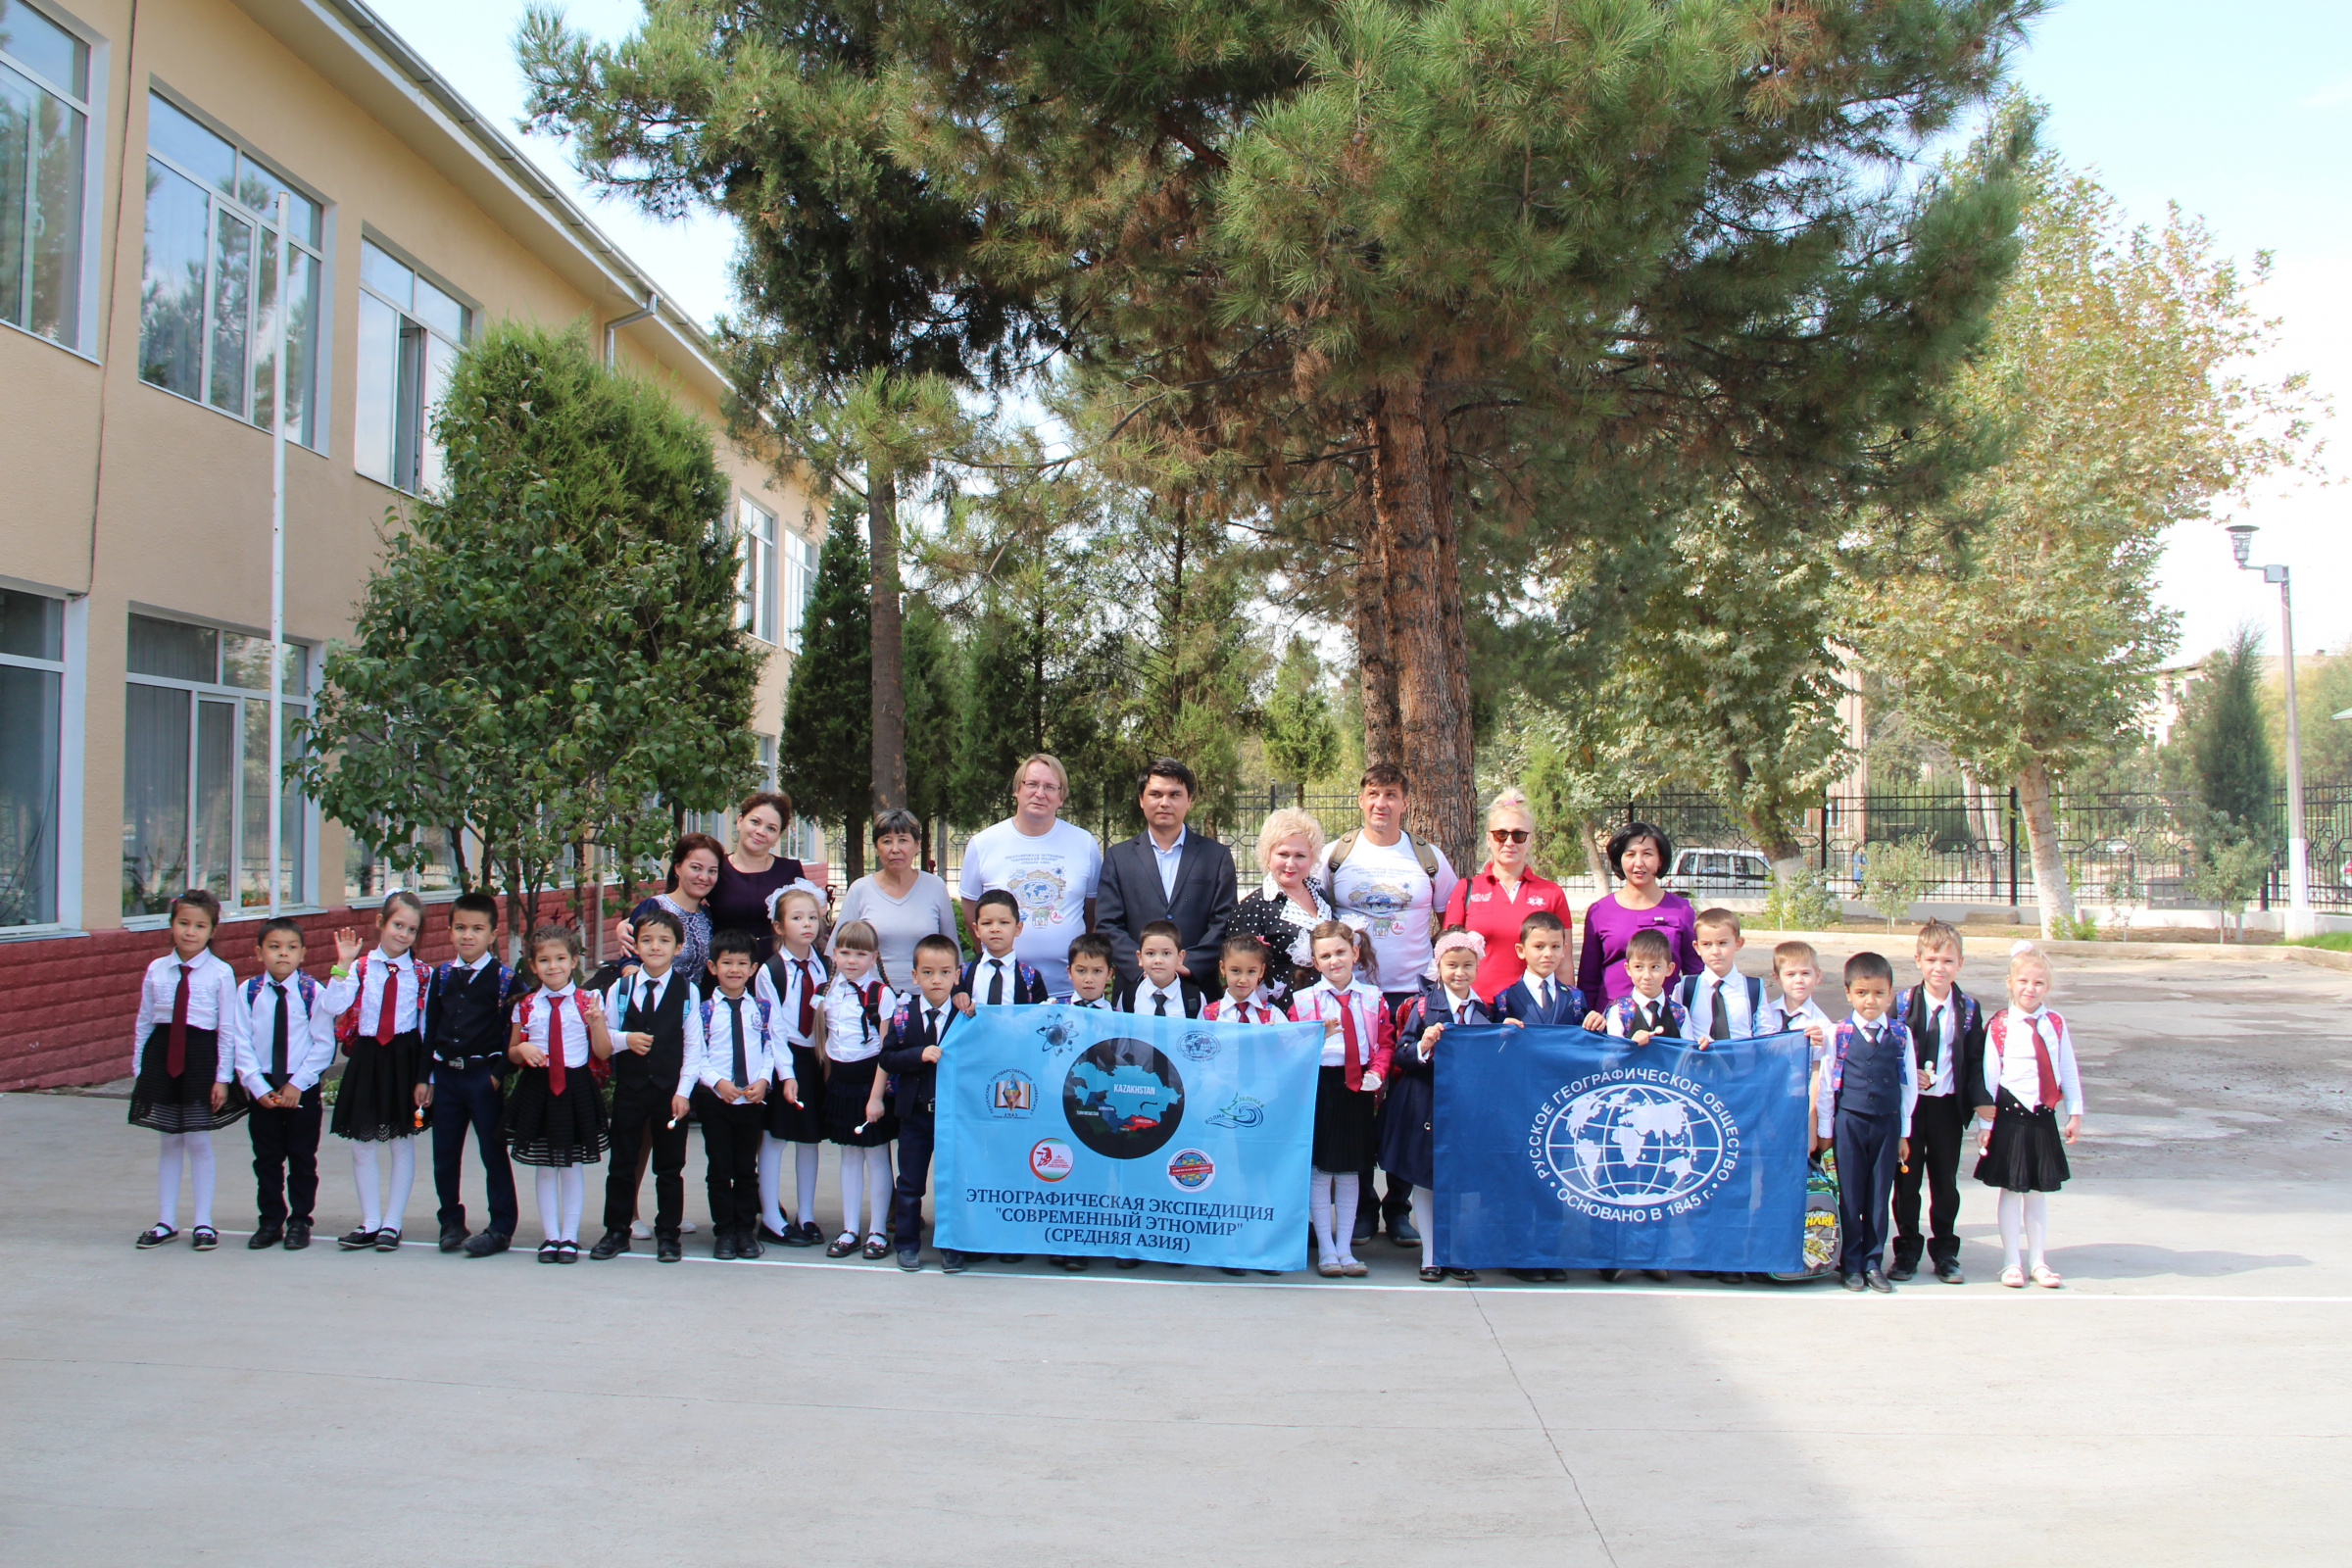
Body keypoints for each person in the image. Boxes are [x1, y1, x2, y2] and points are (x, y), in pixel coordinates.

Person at [1318, 763, 1457, 1248]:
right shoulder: (1335, 856)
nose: (1382, 803)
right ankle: (1361, 1208)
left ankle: (1398, 1206)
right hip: (1353, 996)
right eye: (1374, 793)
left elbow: (1450, 921)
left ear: (1405, 802)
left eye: (1392, 794)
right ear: (1361, 799)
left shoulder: (1428, 858)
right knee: (1355, 1100)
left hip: (1411, 997)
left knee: (1407, 1104)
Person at [129, 890, 247, 1250]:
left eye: (199, 926)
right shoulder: (156, 969)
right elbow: (145, 1021)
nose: (190, 932)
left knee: (197, 1139)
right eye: (183, 923)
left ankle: (203, 1222)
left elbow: (227, 1029)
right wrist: (139, 1068)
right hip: (162, 1057)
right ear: (171, 925)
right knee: (169, 1140)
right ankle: (166, 1220)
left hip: (200, 1059)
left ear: (213, 930)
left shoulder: (221, 972)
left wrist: (223, 1078)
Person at [588, 907, 702, 1264]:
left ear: (678, 947)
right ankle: (616, 1231)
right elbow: (605, 1039)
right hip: (631, 1090)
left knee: (669, 1167)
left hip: (669, 1093)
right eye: (647, 940)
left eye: (664, 941)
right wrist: (626, 1039)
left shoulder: (688, 992)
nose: (655, 947)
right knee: (622, 1163)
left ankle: (668, 1234)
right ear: (635, 945)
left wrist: (683, 1092)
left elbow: (693, 1047)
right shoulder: (620, 989)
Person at [324, 891, 434, 1252]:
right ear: (380, 923)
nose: (403, 934)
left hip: (404, 1060)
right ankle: (370, 1221)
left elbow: (426, 1029)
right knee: (362, 1144)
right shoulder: (359, 968)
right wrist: (341, 964)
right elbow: (333, 1005)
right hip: (368, 1058)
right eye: (397, 925)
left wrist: (425, 1077)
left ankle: (392, 1223)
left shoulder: (423, 974)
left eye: (412, 930)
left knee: (402, 1143)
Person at [1975, 941, 2083, 1290]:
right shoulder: (2001, 1024)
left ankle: (2038, 1261)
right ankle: (2011, 1262)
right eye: (2023, 981)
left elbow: (2067, 1068)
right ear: (2010, 982)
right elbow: (1990, 1075)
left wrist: (2074, 1112)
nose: (2030, 989)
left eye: (2038, 983)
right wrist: (1986, 1123)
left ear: (2047, 986)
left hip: (2042, 1116)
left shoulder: (2054, 1023)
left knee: (2037, 1192)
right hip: (2009, 1116)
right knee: (2011, 1190)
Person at [1289, 921, 1394, 1278]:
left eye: (1340, 952)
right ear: (1315, 962)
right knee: (1320, 1171)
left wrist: (1377, 1071)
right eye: (1325, 956)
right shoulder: (1304, 1002)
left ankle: (1346, 1249)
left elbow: (1385, 1042)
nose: (1334, 961)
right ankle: (1326, 1250)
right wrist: (1317, 1037)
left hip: (1357, 1087)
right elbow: (1292, 1047)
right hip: (1320, 1086)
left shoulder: (1373, 998)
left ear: (1355, 953)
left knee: (1350, 1171)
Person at [1388, 928, 1493, 1284]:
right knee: (1426, 1177)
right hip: (1426, 1103)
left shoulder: (1484, 1008)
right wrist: (1424, 1045)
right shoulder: (1422, 1005)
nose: (1459, 973)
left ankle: (1457, 1251)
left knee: (1460, 1180)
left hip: (1465, 1107)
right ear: (1439, 966)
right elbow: (1402, 1054)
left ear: (1477, 966)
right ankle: (1431, 1254)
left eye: (1467, 965)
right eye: (1452, 965)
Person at [504, 925, 613, 1263]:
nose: (553, 966)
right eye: (544, 960)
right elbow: (512, 1052)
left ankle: (570, 1237)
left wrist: (597, 1023)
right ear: (533, 965)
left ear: (574, 961)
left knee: (570, 1166)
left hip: (574, 1088)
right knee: (545, 1166)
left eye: (561, 959)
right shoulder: (525, 1006)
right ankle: (550, 1236)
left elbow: (603, 1052)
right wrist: (523, 1049)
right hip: (538, 1089)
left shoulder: (588, 1001)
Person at [420, 892, 519, 1258]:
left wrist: (498, 1074)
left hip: (483, 1078)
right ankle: (450, 1221)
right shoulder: (442, 976)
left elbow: (519, 1032)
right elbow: (430, 1029)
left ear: (492, 934)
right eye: (460, 927)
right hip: (446, 1077)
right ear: (449, 931)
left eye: (477, 929)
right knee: (444, 1154)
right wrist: (424, 1077)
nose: (468, 935)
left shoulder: (506, 980)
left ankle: (501, 1226)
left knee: (493, 1153)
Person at [958, 753, 1102, 996]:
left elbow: (1092, 913)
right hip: (1004, 992)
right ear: (1017, 789)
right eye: (1032, 784)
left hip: (1070, 990)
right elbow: (970, 907)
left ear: (1061, 797)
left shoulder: (1084, 843)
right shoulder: (983, 844)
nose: (1040, 793)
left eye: (1050, 787)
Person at [1817, 952, 1918, 1293]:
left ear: (1890, 995)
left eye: (1878, 993)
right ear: (1848, 993)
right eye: (1862, 993)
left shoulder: (1900, 1035)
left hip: (1887, 1125)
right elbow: (1828, 1084)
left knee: (1878, 1195)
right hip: (1850, 1123)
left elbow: (1908, 1085)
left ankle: (1873, 1262)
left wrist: (1904, 1131)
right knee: (1850, 1194)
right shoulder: (1838, 1032)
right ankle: (1850, 1263)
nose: (1870, 1000)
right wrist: (1826, 1130)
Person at [1891, 920, 1985, 1285]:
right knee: (1907, 1181)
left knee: (1945, 1182)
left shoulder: (1968, 1008)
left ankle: (1945, 1250)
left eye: (1947, 961)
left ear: (1960, 963)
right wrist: (1906, 1072)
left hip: (1946, 1107)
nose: (1939, 968)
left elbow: (1975, 1060)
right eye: (1931, 960)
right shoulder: (1902, 1004)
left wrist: (1983, 1109)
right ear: (1918, 960)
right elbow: (1887, 1050)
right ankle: (1907, 1250)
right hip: (1911, 1110)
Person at [232, 916, 332, 1251]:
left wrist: (298, 1084)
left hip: (300, 1086)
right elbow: (241, 1041)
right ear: (259, 952)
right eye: (274, 947)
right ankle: (271, 1220)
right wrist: (257, 1086)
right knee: (267, 1158)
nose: (283, 954)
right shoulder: (248, 992)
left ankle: (300, 1221)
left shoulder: (312, 991)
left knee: (302, 1157)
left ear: (303, 953)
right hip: (264, 1087)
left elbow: (323, 1044)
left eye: (291, 947)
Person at [1095, 758, 1239, 989]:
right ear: (1141, 800)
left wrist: (1189, 963)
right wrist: (1143, 966)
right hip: (1136, 987)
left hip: (1197, 987)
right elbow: (1108, 923)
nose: (1165, 803)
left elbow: (1225, 920)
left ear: (1189, 800)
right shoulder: (1118, 857)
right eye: (1155, 794)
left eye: (1174, 795)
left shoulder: (1216, 856)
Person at [696, 929, 783, 1261]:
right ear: (712, 967)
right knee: (720, 1168)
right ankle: (724, 1231)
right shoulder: (703, 1011)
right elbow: (697, 1055)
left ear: (753, 968)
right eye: (727, 963)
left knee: (747, 1167)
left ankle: (745, 1230)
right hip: (716, 1101)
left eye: (742, 963)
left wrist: (763, 1080)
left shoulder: (760, 1009)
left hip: (750, 1100)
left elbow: (770, 1048)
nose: (734, 969)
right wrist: (717, 1083)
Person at [882, 934, 967, 1272]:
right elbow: (887, 1057)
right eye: (928, 972)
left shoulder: (965, 1015)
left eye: (945, 972)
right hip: (915, 1115)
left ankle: (951, 1246)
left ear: (957, 975)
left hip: (952, 1116)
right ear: (915, 975)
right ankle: (906, 1244)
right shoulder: (903, 1016)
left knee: (952, 1182)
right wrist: (917, 1055)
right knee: (910, 1183)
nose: (936, 980)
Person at [755, 886, 832, 1248]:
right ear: (779, 926)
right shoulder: (770, 971)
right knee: (775, 1137)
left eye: (813, 917)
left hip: (815, 1059)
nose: (807, 924)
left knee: (809, 1138)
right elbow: (772, 1029)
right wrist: (786, 1075)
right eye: (797, 918)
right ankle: (771, 1217)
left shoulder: (825, 965)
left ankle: (807, 1216)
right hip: (782, 1060)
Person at [1440, 788, 1568, 1002]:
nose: (1509, 842)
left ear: (1530, 840)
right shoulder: (1466, 889)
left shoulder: (1552, 893)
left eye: (1518, 835)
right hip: (1478, 1009)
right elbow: (1447, 958)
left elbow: (1563, 964)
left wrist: (1569, 1011)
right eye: (1501, 834)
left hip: (1533, 1010)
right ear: (1488, 839)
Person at [819, 919, 898, 1260]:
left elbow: (886, 1051)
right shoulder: (828, 992)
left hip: (871, 1082)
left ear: (874, 957)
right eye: (845, 952)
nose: (852, 960)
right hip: (841, 1082)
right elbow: (826, 1041)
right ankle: (850, 1228)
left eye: (861, 954)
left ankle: (878, 1230)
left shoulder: (882, 994)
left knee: (877, 1155)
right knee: (849, 1155)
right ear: (835, 954)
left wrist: (876, 1097)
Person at [1576, 820, 1701, 1017]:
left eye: (1647, 854)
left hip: (1665, 1020)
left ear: (1660, 860)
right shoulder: (1600, 911)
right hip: (1610, 1021)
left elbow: (1695, 976)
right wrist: (1590, 1020)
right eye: (1630, 854)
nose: (1639, 863)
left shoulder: (1681, 910)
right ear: (1619, 859)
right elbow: (1588, 980)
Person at [1224, 808, 1335, 1007]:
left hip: (1326, 1008)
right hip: (1279, 1014)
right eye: (1283, 854)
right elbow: (1240, 972)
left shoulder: (1320, 896)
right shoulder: (1253, 907)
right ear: (1268, 855)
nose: (1290, 864)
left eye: (1300, 855)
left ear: (1312, 858)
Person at [834, 808, 960, 982]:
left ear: (917, 845)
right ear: (876, 848)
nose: (895, 849)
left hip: (926, 994)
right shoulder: (860, 889)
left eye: (903, 840)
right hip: (872, 994)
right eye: (887, 841)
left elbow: (952, 949)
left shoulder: (935, 887)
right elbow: (837, 950)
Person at [703, 793, 809, 966]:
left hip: (776, 968)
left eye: (771, 828)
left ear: (779, 836)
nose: (760, 832)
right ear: (739, 821)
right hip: (726, 968)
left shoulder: (790, 871)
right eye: (755, 822)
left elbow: (806, 919)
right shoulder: (717, 868)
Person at [612, 834, 723, 985]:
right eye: (696, 868)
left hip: (695, 998)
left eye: (712, 871)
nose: (704, 877)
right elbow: (630, 959)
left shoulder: (708, 916)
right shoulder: (654, 907)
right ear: (678, 868)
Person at [1678, 908, 1766, 1046]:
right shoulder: (1686, 987)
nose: (1715, 951)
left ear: (1738, 943)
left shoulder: (1754, 988)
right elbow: (1676, 1029)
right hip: (1700, 1058)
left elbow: (1766, 1035)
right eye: (1707, 944)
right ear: (1697, 947)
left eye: (1723, 943)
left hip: (1743, 1058)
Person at [956, 889, 1049, 1010]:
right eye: (987, 923)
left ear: (1018, 928)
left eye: (1004, 922)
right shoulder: (963, 974)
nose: (995, 929)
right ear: (976, 929)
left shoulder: (1030, 977)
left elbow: (1040, 1016)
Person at [1493, 911, 1586, 1027]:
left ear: (1564, 950)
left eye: (1555, 946)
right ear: (1521, 950)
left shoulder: (1575, 997)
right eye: (1539, 946)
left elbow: (1584, 1035)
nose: (1548, 953)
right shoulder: (1504, 1000)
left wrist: (1597, 1026)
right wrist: (1501, 1031)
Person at [1601, 928, 1690, 1044]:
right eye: (1639, 967)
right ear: (1628, 969)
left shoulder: (1680, 1013)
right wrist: (1630, 1044)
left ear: (1669, 969)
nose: (1647, 976)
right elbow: (1612, 1051)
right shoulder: (1619, 1011)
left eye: (1655, 967)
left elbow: (1688, 1051)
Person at [1114, 920, 1206, 1017]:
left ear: (1180, 957)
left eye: (1166, 953)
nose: (1158, 961)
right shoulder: (1129, 996)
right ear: (1140, 957)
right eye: (1150, 953)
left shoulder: (1195, 998)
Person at [1200, 936, 1281, 1023]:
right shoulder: (1209, 1014)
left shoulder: (1273, 1014)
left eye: (1251, 971)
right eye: (1235, 971)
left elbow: (1289, 1032)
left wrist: (1274, 1032)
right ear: (1222, 968)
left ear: (1261, 971)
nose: (1243, 980)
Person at [1053, 933, 1118, 1009]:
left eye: (1097, 971)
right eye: (1081, 971)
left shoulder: (1115, 1015)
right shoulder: (1055, 1010)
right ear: (1070, 972)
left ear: (1109, 974)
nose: (1088, 979)